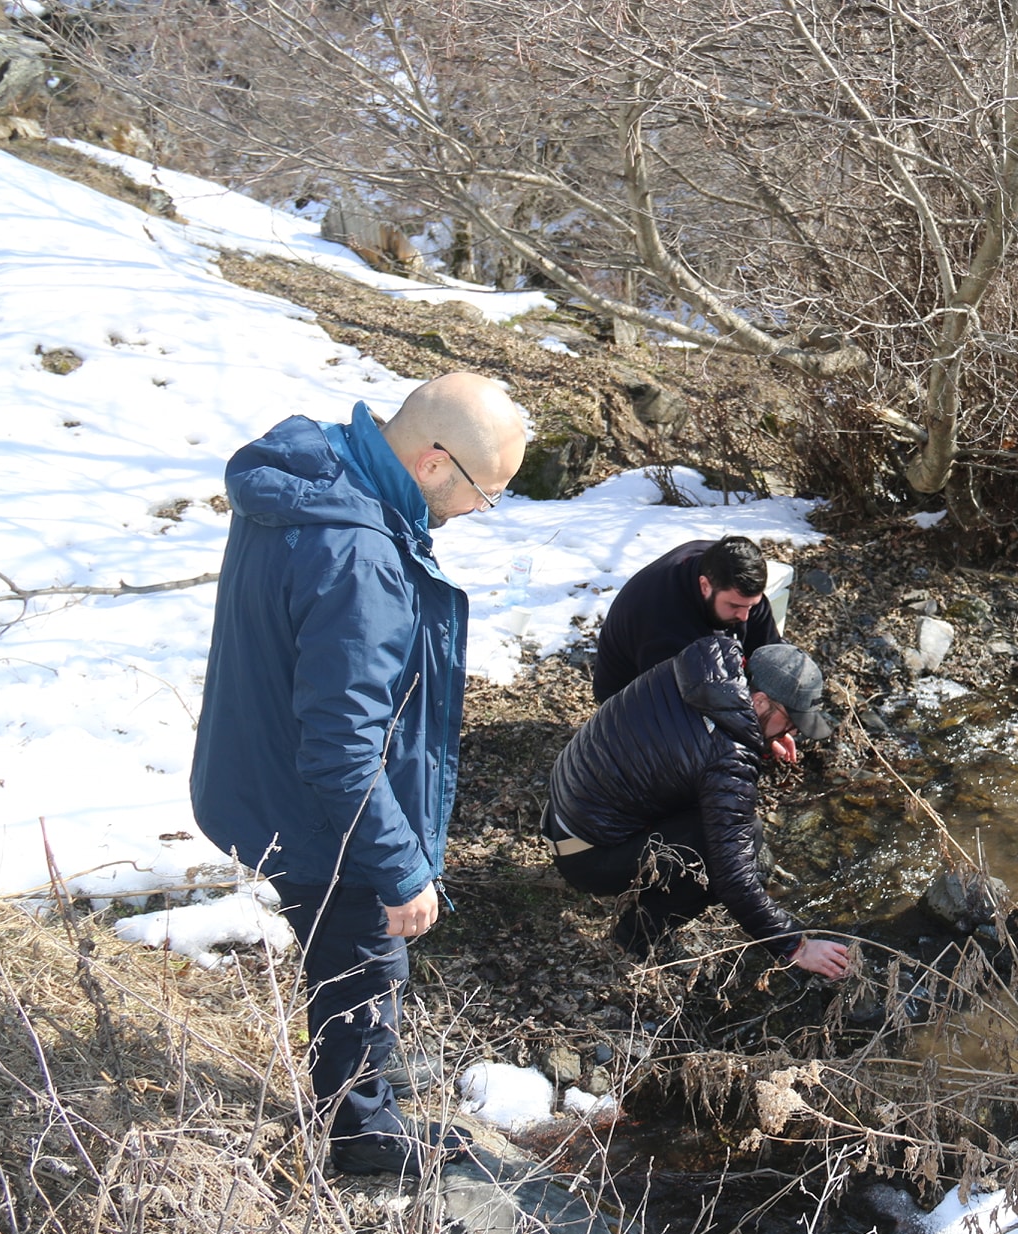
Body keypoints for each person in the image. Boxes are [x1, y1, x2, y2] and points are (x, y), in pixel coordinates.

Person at [191, 372, 526, 1176]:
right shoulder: (360, 555)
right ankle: (362, 1129)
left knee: (351, 948)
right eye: (487, 491)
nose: (482, 510)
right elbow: (341, 752)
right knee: (368, 944)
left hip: (252, 765)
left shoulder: (314, 470)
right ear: (434, 462)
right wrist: (404, 868)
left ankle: (363, 1073)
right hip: (305, 800)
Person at [544, 637, 853, 979]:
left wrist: (763, 736)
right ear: (761, 700)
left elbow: (690, 751)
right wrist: (796, 946)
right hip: (584, 854)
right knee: (737, 850)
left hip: (562, 809)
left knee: (739, 830)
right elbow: (733, 877)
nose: (795, 731)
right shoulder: (728, 755)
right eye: (791, 720)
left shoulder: (706, 667)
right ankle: (634, 937)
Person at [593, 535, 783, 702]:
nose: (744, 616)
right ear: (705, 586)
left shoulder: (729, 574)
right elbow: (679, 702)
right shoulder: (663, 619)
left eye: (751, 605)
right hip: (632, 699)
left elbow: (771, 656)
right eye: (734, 606)